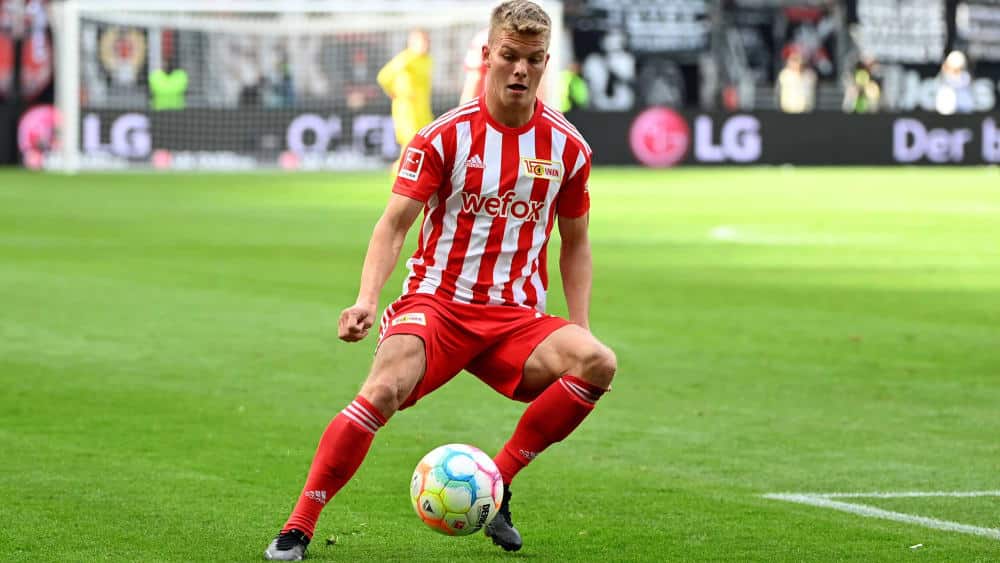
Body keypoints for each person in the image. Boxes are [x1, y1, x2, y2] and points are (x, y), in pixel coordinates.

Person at [264, 1, 617, 560]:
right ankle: (298, 527)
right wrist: (366, 299)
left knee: (597, 361)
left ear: (546, 63)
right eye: (510, 56)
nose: (520, 69)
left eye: (532, 60)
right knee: (381, 390)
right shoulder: (444, 137)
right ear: (488, 56)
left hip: (516, 319)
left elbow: (575, 243)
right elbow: (393, 225)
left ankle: (496, 482)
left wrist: (581, 325)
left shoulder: (568, 148)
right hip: (438, 304)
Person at [377, 28, 434, 172]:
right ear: (411, 42)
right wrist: (392, 92)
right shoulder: (405, 59)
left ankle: (409, 170)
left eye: (426, 41)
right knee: (411, 141)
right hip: (406, 109)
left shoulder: (427, 60)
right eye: (421, 41)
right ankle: (400, 171)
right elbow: (383, 77)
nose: (425, 44)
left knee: (427, 139)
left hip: (423, 108)